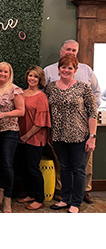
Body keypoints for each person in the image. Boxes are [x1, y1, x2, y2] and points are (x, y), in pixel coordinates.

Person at [44, 39, 102, 203]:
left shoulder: (84, 86)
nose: (66, 70)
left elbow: (92, 111)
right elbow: (44, 105)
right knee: (64, 168)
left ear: (75, 70)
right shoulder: (51, 86)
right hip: (59, 136)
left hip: (80, 135)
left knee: (79, 169)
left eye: (70, 68)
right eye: (63, 67)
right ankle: (64, 198)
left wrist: (92, 136)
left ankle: (77, 201)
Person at [0, 62, 25, 213]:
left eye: (5, 72)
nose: (2, 74)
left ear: (10, 73)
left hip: (10, 131)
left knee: (7, 163)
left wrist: (4, 114)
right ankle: (1, 189)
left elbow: (21, 111)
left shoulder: (14, 90)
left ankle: (7, 199)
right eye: (0, 71)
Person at [17, 66, 51, 211]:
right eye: (30, 75)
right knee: (24, 168)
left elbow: (40, 123)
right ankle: (30, 194)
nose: (32, 78)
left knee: (33, 168)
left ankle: (39, 199)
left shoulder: (41, 97)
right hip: (21, 138)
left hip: (35, 138)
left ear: (40, 80)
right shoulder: (21, 93)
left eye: (35, 77)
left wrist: (26, 136)